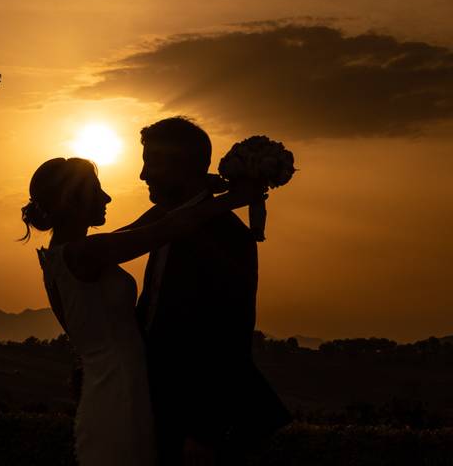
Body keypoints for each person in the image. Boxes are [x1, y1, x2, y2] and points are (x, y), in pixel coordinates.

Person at [22, 156, 264, 466]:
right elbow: (168, 227)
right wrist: (235, 199)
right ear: (72, 200)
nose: (107, 197)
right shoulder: (86, 253)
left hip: (108, 382)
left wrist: (200, 187)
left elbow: (151, 222)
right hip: (119, 384)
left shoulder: (69, 253)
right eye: (97, 189)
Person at [132, 117, 291, 465]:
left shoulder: (227, 235)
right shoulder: (164, 225)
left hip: (195, 427)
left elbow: (229, 336)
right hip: (158, 411)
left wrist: (204, 432)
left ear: (183, 165)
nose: (143, 175)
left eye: (151, 162)